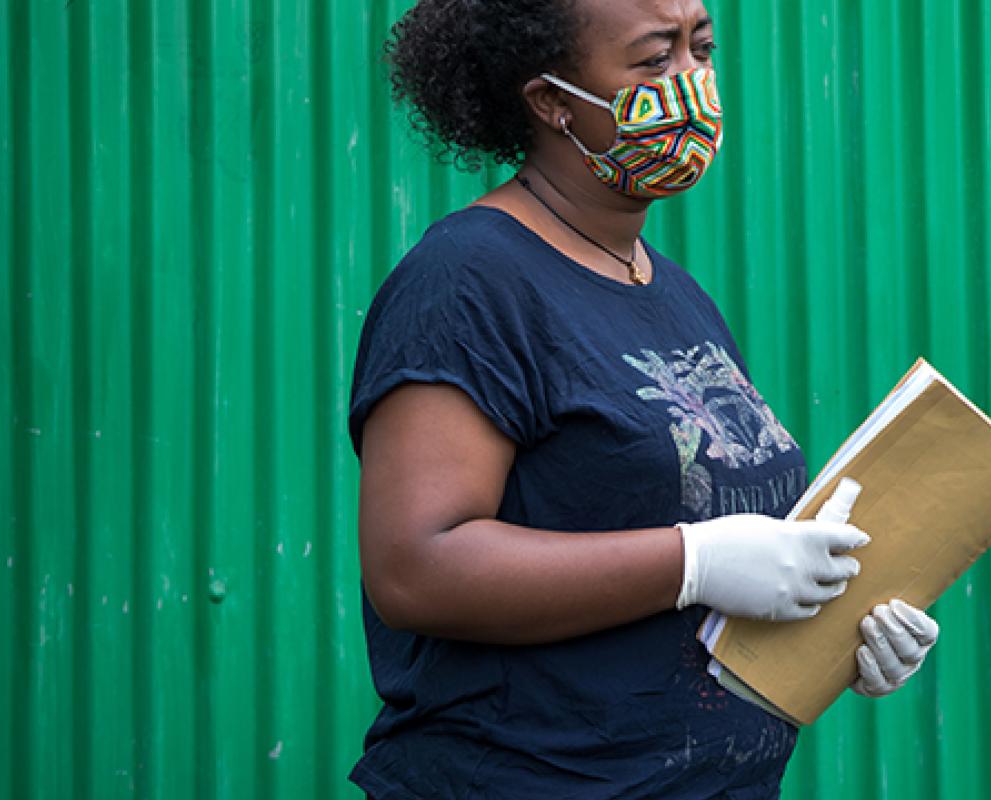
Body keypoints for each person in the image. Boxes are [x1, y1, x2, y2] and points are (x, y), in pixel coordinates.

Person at [348, 0, 938, 796]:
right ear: (551, 100)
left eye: (701, 48)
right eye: (655, 60)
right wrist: (696, 563)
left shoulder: (673, 293)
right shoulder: (468, 280)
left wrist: (840, 631)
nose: (692, 82)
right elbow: (417, 568)